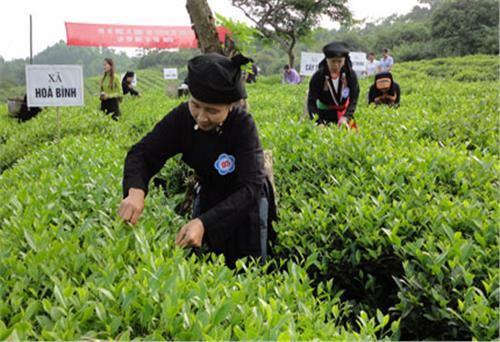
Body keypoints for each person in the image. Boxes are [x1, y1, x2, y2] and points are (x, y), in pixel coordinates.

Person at [119, 53, 277, 268]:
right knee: (204, 268)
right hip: (209, 196)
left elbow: (251, 186)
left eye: (213, 111)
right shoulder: (181, 117)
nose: (202, 117)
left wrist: (205, 223)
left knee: (245, 267)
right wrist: (135, 190)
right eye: (196, 105)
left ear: (230, 106)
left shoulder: (243, 125)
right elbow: (143, 153)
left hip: (245, 205)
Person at [307, 41, 360, 127]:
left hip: (344, 115)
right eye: (333, 61)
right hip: (323, 115)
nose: (336, 65)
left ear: (345, 60)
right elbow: (311, 102)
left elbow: (354, 99)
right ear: (326, 60)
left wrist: (346, 117)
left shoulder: (350, 75)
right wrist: (318, 122)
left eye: (339, 61)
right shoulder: (318, 76)